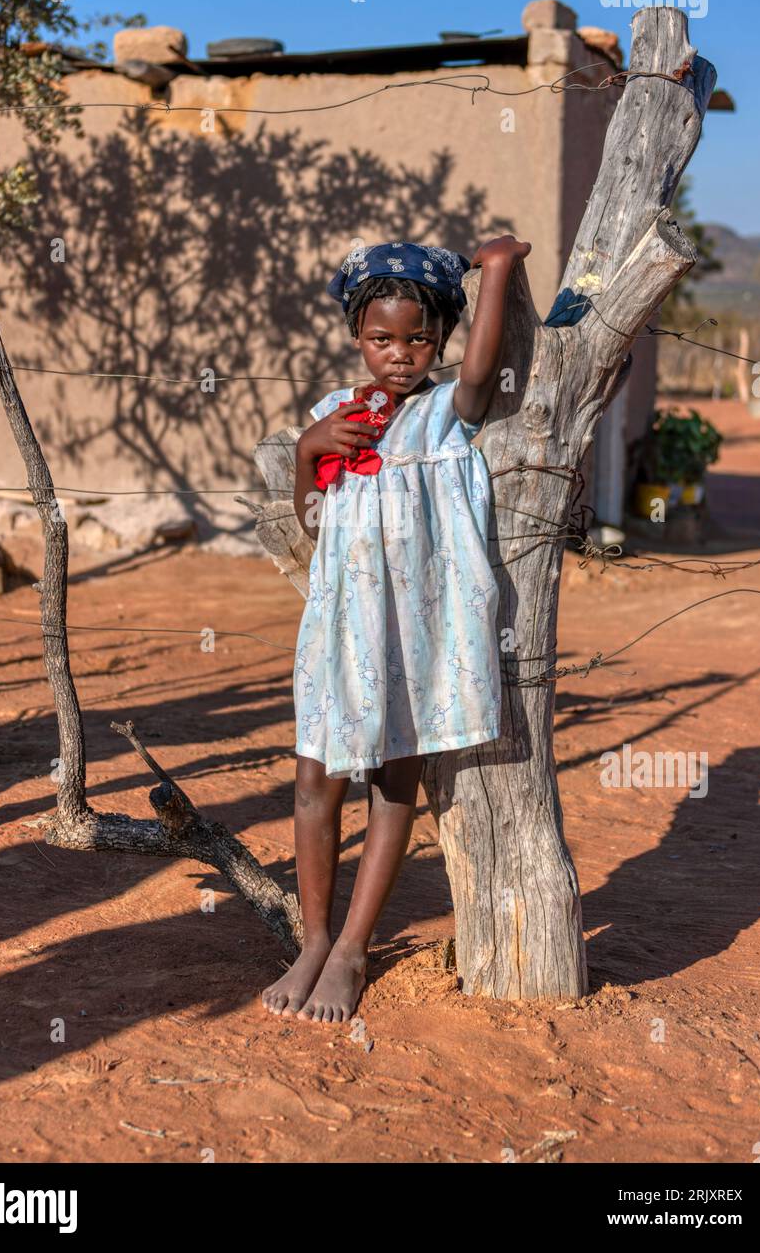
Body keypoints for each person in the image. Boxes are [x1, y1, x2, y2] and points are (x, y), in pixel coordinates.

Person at [261, 235, 531, 1025]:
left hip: (415, 637)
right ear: (356, 338)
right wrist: (315, 448)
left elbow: (481, 376)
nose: (401, 355)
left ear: (440, 338)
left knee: (392, 785)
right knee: (315, 780)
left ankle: (351, 949)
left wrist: (498, 274)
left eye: (420, 337)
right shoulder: (335, 417)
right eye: (382, 338)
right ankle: (311, 939)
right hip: (341, 630)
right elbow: (309, 508)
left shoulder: (446, 416)